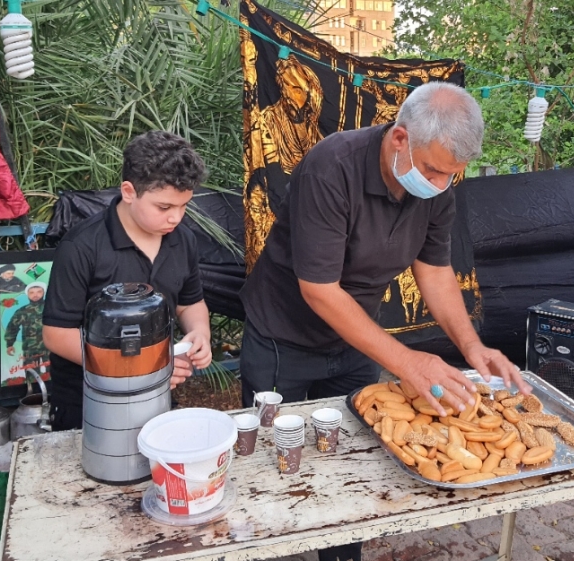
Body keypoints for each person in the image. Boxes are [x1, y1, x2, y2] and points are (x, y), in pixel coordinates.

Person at [239, 81, 529, 561]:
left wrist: (472, 347)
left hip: (358, 340)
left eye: (451, 176)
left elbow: (434, 270)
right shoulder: (331, 168)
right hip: (282, 337)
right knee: (277, 458)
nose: (439, 186)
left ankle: (343, 554)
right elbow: (320, 289)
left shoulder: (438, 186)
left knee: (356, 456)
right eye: (434, 170)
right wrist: (408, 363)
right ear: (399, 138)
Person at [42, 131, 213, 431]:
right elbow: (57, 334)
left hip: (159, 394)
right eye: (164, 207)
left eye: (184, 206)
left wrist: (200, 334)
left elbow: (190, 303)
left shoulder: (183, 240)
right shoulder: (82, 246)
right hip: (88, 401)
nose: (176, 218)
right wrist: (137, 368)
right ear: (129, 191)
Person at [5, 282, 48, 371]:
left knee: (55, 374)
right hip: (30, 349)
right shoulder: (22, 311)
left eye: (39, 292)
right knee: (31, 374)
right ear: (27, 294)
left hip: (50, 347)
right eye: (31, 292)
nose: (35, 295)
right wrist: (10, 344)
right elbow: (12, 327)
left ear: (43, 293)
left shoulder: (51, 308)